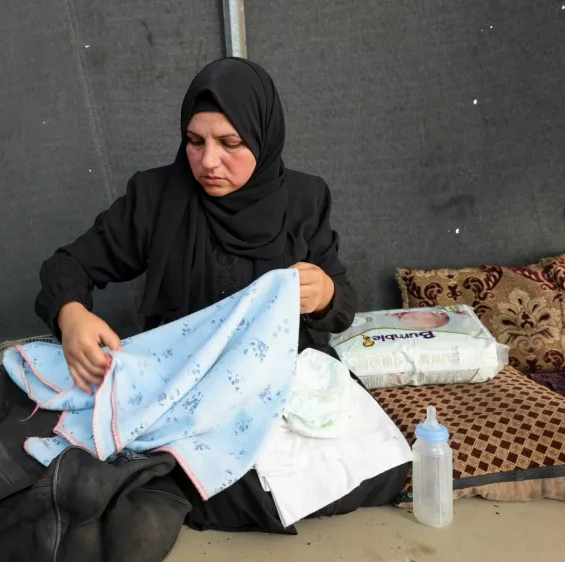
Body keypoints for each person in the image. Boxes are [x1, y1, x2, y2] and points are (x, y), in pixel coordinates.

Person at [35, 58, 408, 532]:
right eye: (195, 141)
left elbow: (342, 308)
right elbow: (68, 264)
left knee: (383, 466)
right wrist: (72, 317)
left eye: (230, 143)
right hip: (186, 382)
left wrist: (325, 293)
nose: (208, 161)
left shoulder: (303, 200)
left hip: (277, 383)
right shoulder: (156, 197)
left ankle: (173, 485)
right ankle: (182, 482)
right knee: (227, 478)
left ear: (263, 137)